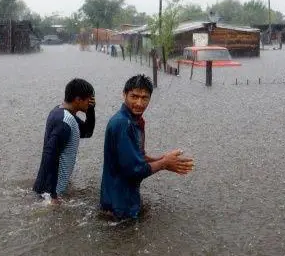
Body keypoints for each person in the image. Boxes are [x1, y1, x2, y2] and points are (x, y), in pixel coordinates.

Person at [100, 74, 194, 220]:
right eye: (134, 96)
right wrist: (164, 163)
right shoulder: (123, 124)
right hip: (120, 207)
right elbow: (134, 170)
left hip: (122, 199)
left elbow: (138, 157)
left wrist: (163, 159)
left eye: (145, 98)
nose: (139, 103)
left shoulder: (135, 121)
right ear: (124, 95)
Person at [33, 78, 96, 204]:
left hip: (50, 186)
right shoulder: (65, 122)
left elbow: (87, 132)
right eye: (89, 99)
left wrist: (91, 110)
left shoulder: (60, 112)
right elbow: (49, 156)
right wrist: (52, 195)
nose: (90, 102)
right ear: (78, 100)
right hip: (51, 191)